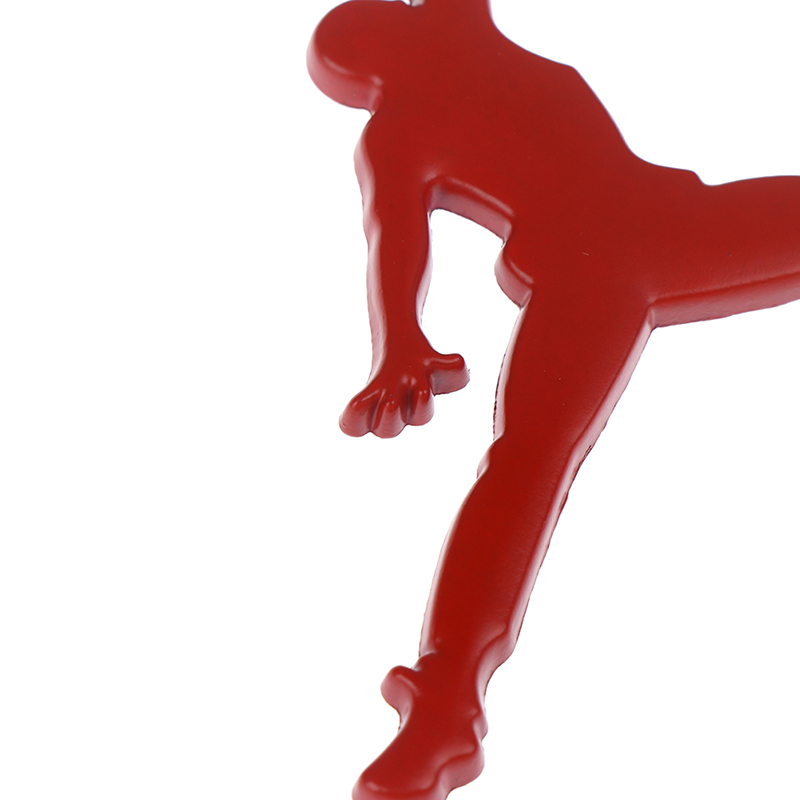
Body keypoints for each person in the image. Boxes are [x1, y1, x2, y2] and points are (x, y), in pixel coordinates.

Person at [308, 1, 800, 798]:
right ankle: (443, 705)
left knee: (524, 465)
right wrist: (397, 337)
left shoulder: (447, 47)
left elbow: (393, 230)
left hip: (652, 231)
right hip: (604, 265)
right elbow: (393, 232)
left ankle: (444, 703)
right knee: (524, 465)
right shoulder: (405, 122)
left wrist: (401, 339)